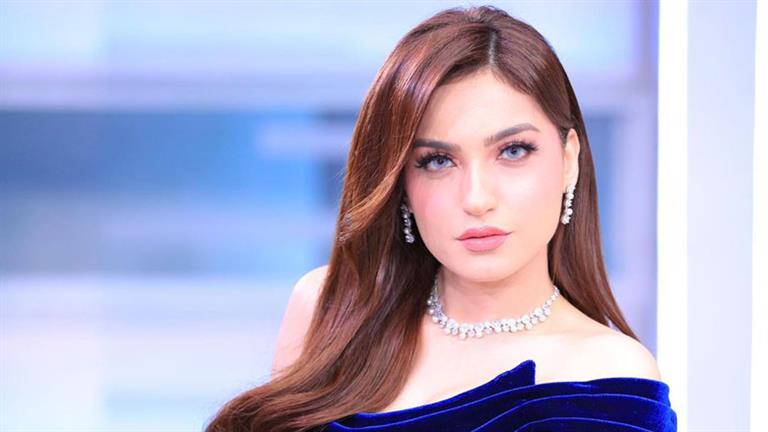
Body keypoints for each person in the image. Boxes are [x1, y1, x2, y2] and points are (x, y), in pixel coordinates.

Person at [206, 5, 677, 432]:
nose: (476, 198)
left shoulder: (607, 376)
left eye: (513, 151)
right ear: (401, 184)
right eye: (437, 161)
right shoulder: (329, 310)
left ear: (569, 160)